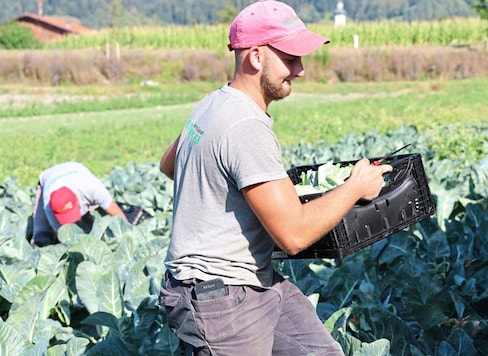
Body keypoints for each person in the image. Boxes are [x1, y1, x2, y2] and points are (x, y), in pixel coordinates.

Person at [157, 1, 392, 354]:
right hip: (219, 298)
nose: (300, 70)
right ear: (255, 56)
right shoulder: (245, 126)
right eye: (291, 58)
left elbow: (169, 165)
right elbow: (294, 235)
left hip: (253, 282)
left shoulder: (212, 104)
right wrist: (354, 187)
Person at [31, 161, 127, 247]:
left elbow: (117, 213)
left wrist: (127, 232)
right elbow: (60, 233)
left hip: (76, 170)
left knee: (96, 222)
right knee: (41, 235)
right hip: (48, 177)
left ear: (77, 200)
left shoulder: (91, 188)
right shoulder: (49, 204)